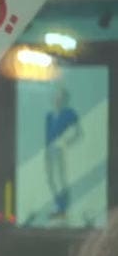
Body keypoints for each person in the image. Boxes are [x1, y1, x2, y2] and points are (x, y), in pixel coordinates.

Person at [44, 87, 82, 219]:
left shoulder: (70, 113)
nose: (57, 100)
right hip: (49, 151)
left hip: (60, 150)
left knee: (60, 179)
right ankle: (59, 207)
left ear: (65, 100)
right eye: (56, 97)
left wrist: (66, 143)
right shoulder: (49, 116)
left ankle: (63, 208)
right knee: (51, 179)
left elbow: (78, 133)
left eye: (60, 97)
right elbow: (47, 136)